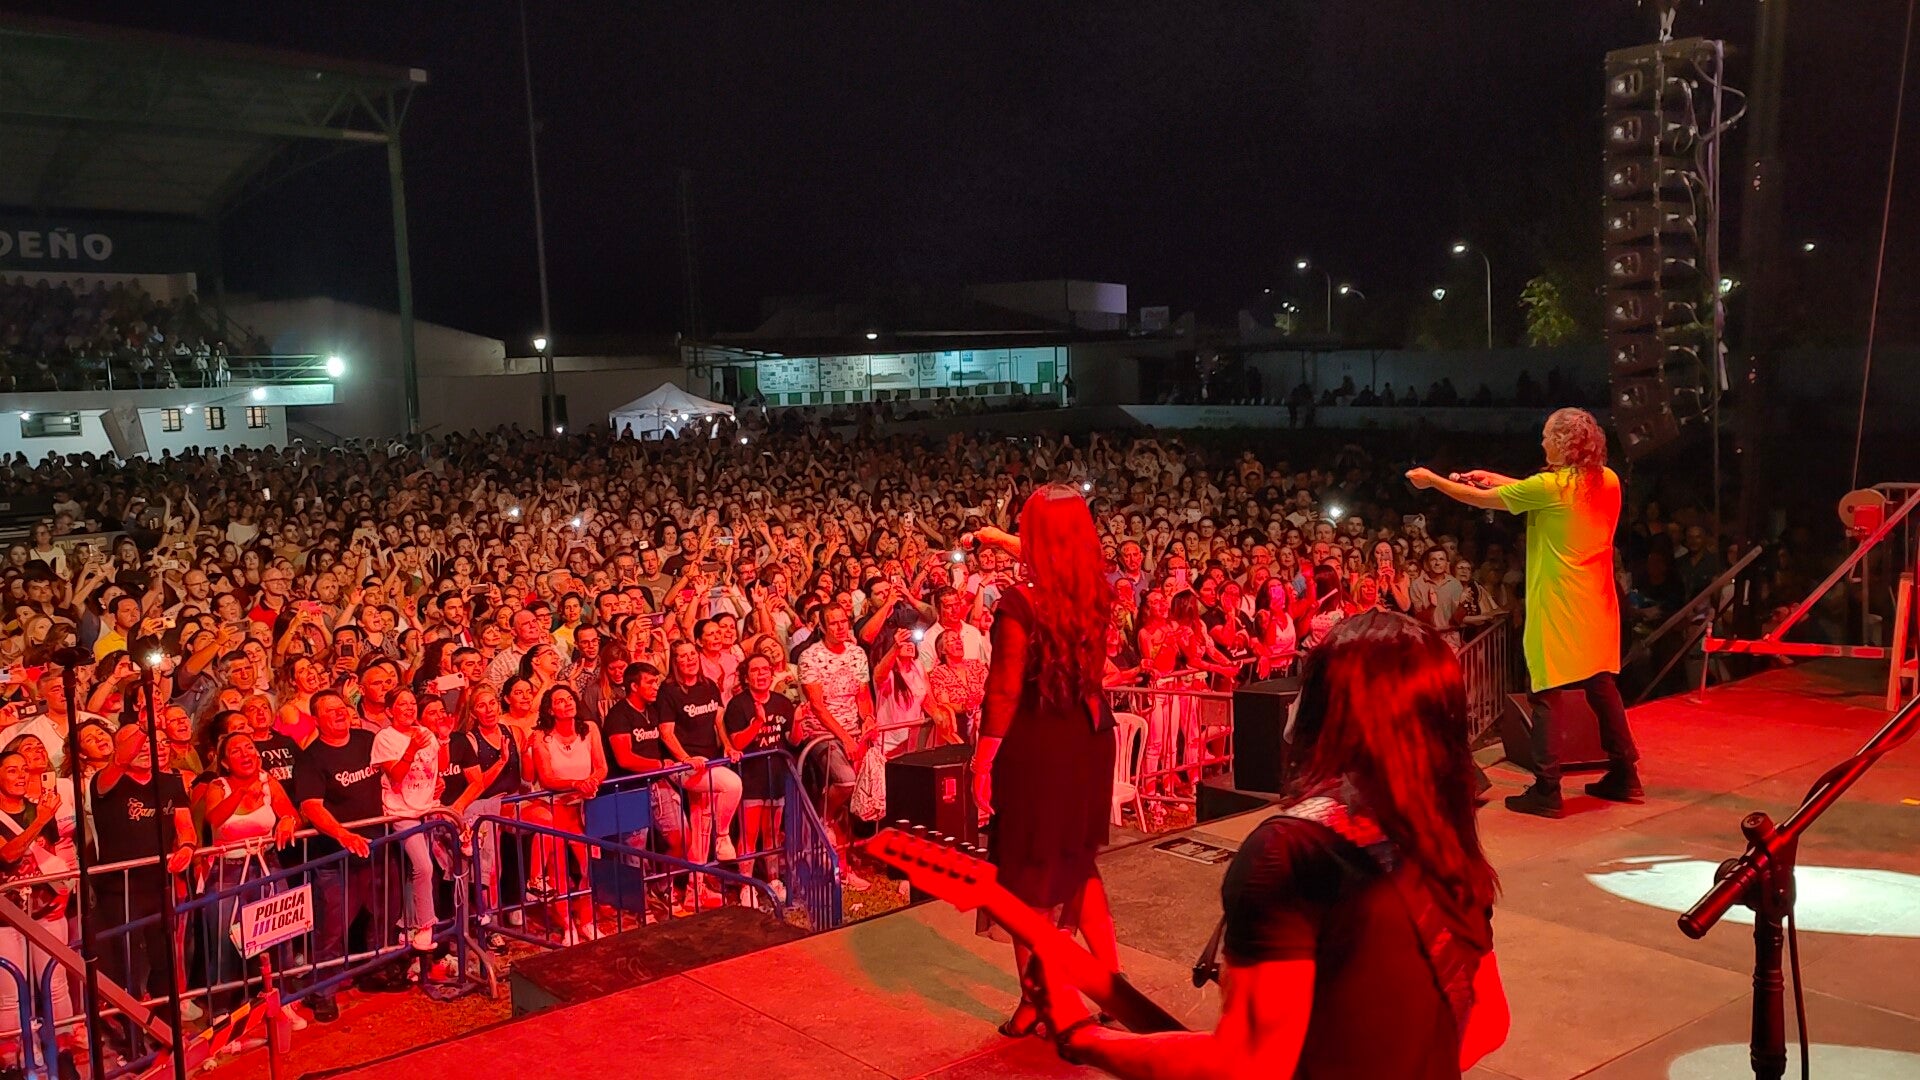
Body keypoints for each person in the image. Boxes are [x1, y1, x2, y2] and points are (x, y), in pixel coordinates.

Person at [1030, 612, 1509, 1076]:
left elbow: (1247, 1068)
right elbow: (1488, 1022)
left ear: (1325, 708)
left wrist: (1087, 1041)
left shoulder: (1289, 851)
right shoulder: (1443, 834)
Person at [1408, 406, 1643, 817]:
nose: (1542, 442)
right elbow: (1540, 490)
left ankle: (1547, 788)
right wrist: (1494, 477)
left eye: (1549, 435)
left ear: (1567, 443)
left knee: (1545, 692)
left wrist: (1433, 481)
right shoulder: (1605, 479)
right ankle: (1626, 773)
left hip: (1559, 602)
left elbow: (1480, 499)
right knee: (1601, 685)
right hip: (1599, 602)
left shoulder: (1551, 487)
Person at [967, 485, 1120, 1039]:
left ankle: (1037, 999)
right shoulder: (1094, 588)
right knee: (1078, 861)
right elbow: (1060, 551)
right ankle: (1109, 982)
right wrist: (1002, 540)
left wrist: (983, 761)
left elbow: (1003, 690)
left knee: (1022, 878)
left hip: (1037, 746)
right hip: (1088, 737)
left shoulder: (1019, 603)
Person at [293, 689, 386, 1023]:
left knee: (379, 912)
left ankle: (375, 970)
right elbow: (311, 807)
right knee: (332, 927)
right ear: (316, 720)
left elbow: (392, 774)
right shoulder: (311, 758)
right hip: (334, 855)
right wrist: (342, 834)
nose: (339, 713)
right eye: (329, 710)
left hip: (376, 845)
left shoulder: (366, 741)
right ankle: (324, 991)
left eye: (342, 707)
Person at [657, 641, 738, 907]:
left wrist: (727, 744)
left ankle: (695, 890)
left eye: (692, 654)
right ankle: (723, 837)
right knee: (733, 785)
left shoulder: (709, 685)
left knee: (701, 825)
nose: (689, 659)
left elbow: (718, 721)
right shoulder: (668, 690)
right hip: (688, 767)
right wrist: (685, 759)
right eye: (682, 656)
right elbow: (666, 733)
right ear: (675, 662)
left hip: (711, 762)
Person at [524, 685, 605, 943]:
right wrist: (575, 784)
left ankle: (587, 920)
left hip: (584, 808)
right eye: (560, 701)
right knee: (558, 870)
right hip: (554, 807)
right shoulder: (540, 737)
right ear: (550, 709)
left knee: (589, 865)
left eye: (569, 699)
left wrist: (591, 782)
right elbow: (547, 778)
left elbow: (601, 766)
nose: (567, 703)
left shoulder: (590, 728)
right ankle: (567, 925)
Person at [370, 688, 442, 952]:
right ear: (390, 710)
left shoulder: (427, 734)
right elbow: (397, 775)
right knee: (423, 867)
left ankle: (410, 924)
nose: (410, 708)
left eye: (412, 703)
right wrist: (412, 748)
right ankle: (425, 925)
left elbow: (435, 769)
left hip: (427, 808)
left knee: (425, 870)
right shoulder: (385, 738)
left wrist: (438, 783)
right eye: (402, 704)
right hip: (401, 812)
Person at [723, 653, 796, 905]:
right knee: (749, 833)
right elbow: (737, 742)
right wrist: (757, 723)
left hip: (777, 775)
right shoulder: (738, 705)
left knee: (773, 833)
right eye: (755, 670)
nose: (761, 674)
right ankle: (747, 885)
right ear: (747, 676)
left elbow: (793, 740)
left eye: (765, 669)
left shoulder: (783, 702)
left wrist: (802, 721)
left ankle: (774, 879)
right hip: (751, 777)